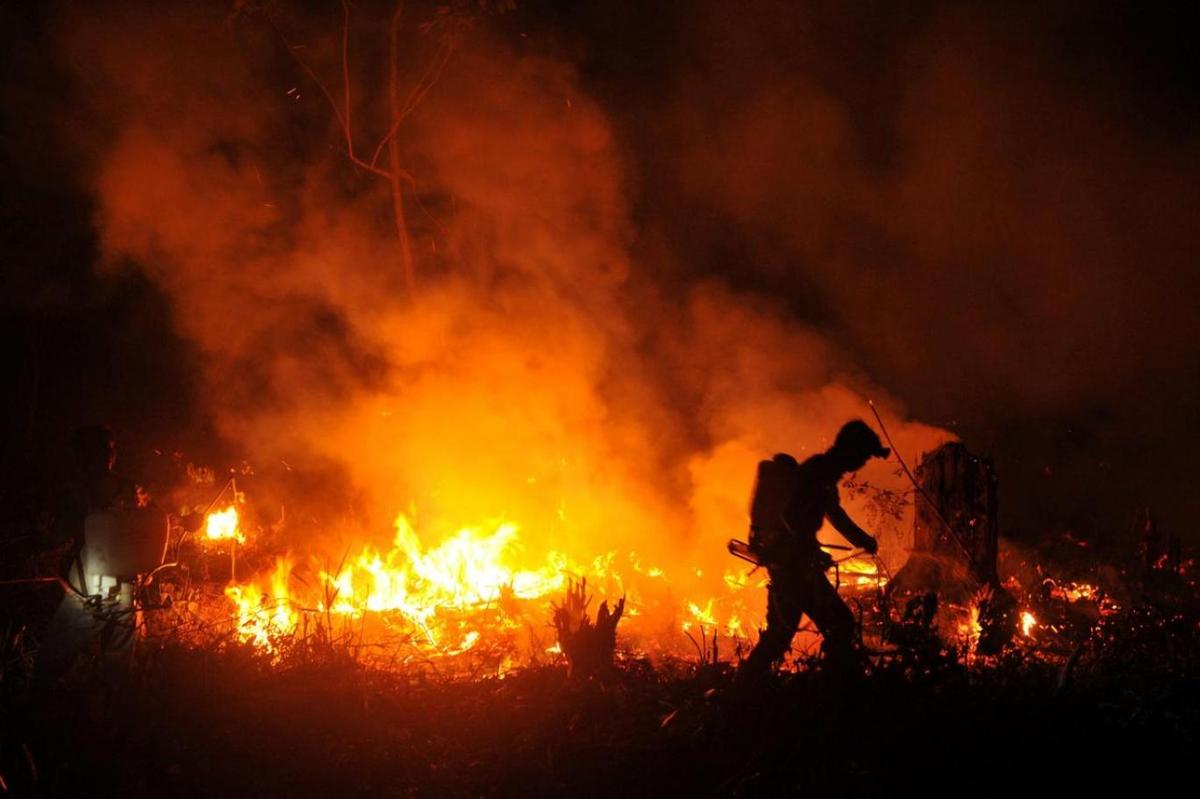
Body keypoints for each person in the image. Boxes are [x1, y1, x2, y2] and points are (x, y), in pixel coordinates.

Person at [738, 420, 890, 680]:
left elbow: (834, 513)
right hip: (795, 566)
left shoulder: (824, 474)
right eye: (863, 456)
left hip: (791, 564)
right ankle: (831, 688)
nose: (862, 463)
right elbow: (791, 515)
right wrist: (812, 550)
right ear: (850, 451)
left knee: (780, 634)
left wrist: (863, 539)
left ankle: (741, 689)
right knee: (840, 624)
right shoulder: (817, 472)